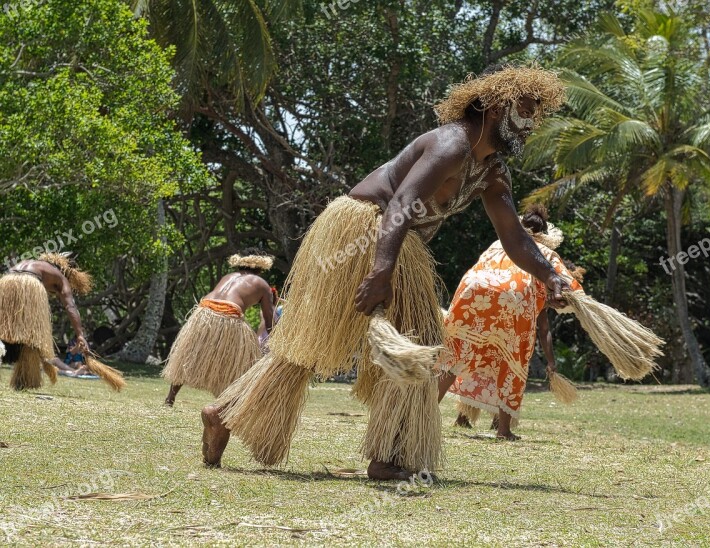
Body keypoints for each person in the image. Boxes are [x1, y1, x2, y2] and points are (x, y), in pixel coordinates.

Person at [200, 64, 571, 480]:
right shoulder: (452, 143)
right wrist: (381, 272)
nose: (529, 126)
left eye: (535, 116)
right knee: (412, 343)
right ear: (496, 109)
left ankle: (226, 413)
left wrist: (551, 276)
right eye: (524, 112)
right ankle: (389, 457)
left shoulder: (491, 172)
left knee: (322, 345)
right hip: (365, 228)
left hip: (393, 241)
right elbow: (401, 203)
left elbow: (514, 237)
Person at [438, 204, 585, 440]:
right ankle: (503, 430)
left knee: (455, 356)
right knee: (512, 362)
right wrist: (567, 301)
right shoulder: (542, 253)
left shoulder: (500, 243)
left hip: (472, 290)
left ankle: (426, 413)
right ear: (544, 235)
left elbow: (479, 266)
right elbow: (569, 287)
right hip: (514, 299)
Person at [162, 249, 276, 406]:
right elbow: (269, 322)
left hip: (203, 312)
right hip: (228, 316)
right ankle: (228, 401)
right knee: (241, 359)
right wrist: (277, 343)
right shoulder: (262, 285)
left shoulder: (228, 277)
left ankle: (170, 398)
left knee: (189, 353)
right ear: (261, 268)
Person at [0, 253, 91, 390]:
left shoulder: (34, 264)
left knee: (5, 330)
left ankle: (24, 378)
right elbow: (70, 306)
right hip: (30, 283)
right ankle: (25, 380)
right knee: (34, 337)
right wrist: (80, 334)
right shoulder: (60, 276)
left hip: (6, 281)